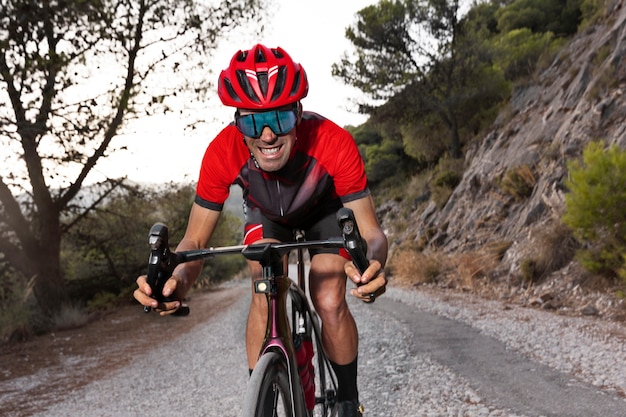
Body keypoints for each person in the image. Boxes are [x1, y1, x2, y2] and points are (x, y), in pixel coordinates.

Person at [133, 44, 388, 417]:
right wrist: (178, 282)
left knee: (330, 297)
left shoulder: (334, 142)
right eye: (253, 122)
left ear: (298, 114)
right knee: (263, 284)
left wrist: (374, 264)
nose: (267, 135)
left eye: (280, 119)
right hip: (268, 216)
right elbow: (195, 242)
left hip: (324, 211)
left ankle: (349, 402)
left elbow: (372, 232)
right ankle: (265, 400)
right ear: (237, 122)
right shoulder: (222, 152)